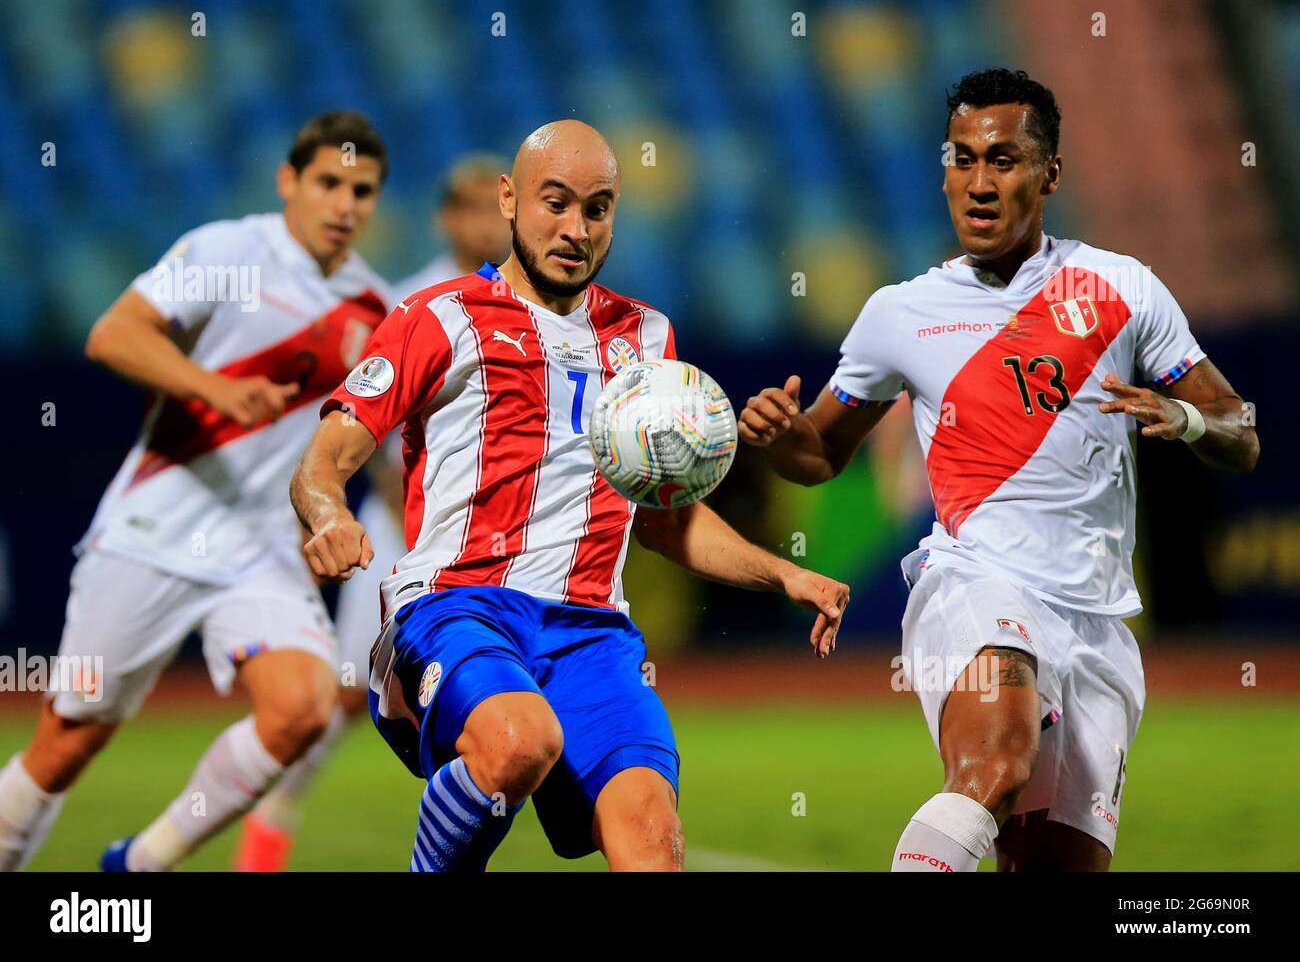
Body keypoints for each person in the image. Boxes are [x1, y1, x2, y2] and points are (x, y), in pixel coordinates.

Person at [291, 119, 850, 871]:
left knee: (653, 838)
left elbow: (665, 524)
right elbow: (324, 458)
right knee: (520, 739)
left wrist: (785, 572)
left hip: (591, 631)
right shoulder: (438, 317)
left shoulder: (646, 338)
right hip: (457, 606)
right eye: (554, 203)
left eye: (597, 208)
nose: (575, 228)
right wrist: (326, 515)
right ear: (510, 199)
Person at [739, 69, 1258, 872]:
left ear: (1049, 173)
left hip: (1097, 622)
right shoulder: (899, 312)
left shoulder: (1121, 288)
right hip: (976, 581)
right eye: (962, 158)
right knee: (996, 763)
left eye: (1005, 159)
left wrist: (1186, 417)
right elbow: (819, 453)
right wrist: (780, 438)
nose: (979, 182)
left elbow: (1242, 430)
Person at [0, 111, 392, 872]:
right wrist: (214, 386)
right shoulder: (228, 250)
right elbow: (113, 333)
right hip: (158, 523)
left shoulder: (377, 310)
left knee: (302, 708)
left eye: (364, 190)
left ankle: (138, 865)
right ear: (290, 181)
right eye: (330, 183)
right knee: (68, 742)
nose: (345, 203)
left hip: (261, 549)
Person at [234, 153, 510, 871]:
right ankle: (276, 806)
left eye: (497, 204)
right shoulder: (410, 301)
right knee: (351, 690)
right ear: (447, 216)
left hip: (504, 541)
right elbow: (362, 430)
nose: (489, 220)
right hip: (406, 534)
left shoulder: (532, 304)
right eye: (473, 205)